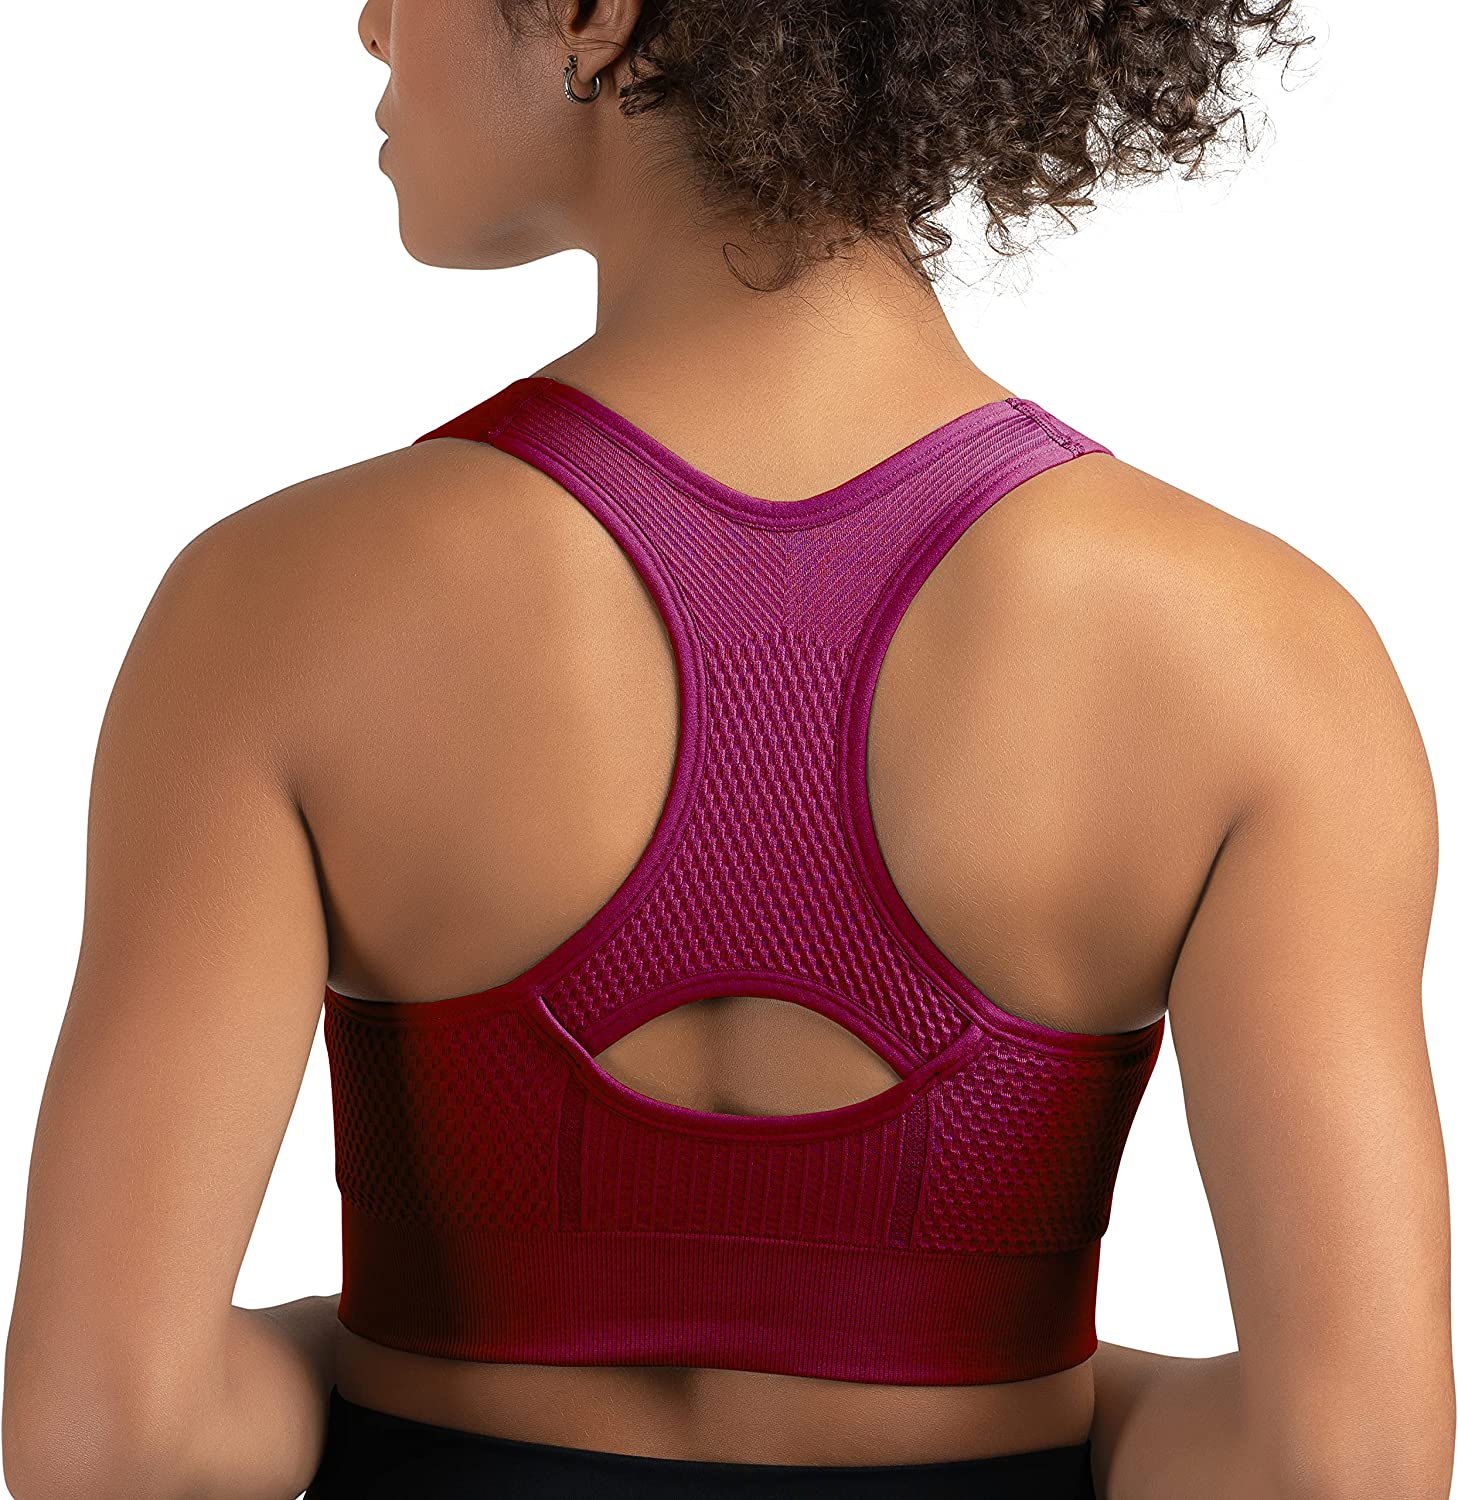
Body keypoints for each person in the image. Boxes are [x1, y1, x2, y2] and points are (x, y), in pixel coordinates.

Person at [4, 1, 1452, 1498]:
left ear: (591, 9)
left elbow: (119, 1447)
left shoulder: (276, 606)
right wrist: (1041, 1387)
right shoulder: (1264, 655)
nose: (371, 24)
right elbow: (1336, 1472)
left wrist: (371, 1344)